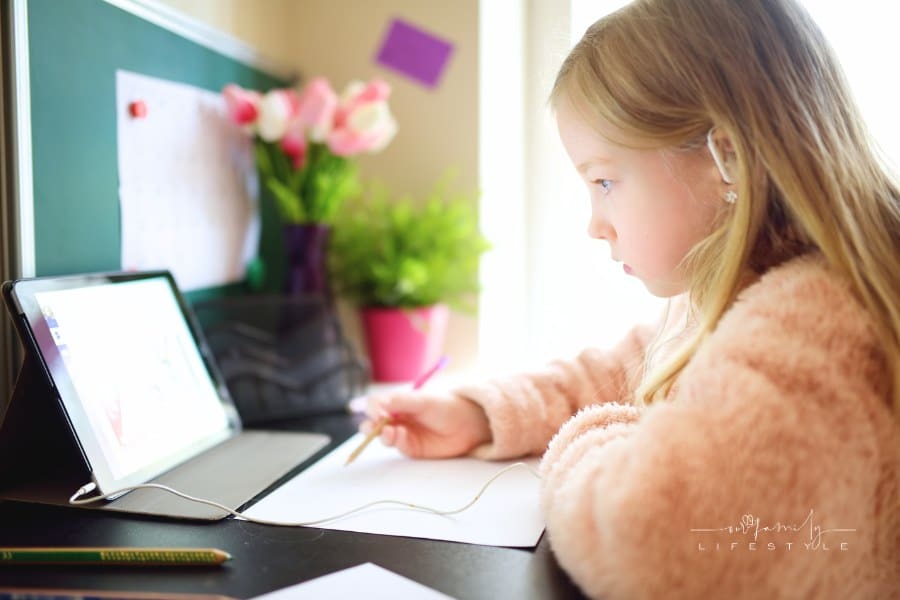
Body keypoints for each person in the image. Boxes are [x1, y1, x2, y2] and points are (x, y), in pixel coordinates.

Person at [362, 0, 900, 597]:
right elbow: (626, 366)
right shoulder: (735, 296)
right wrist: (480, 414)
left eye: (605, 181)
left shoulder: (812, 325)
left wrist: (610, 440)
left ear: (730, 161)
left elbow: (642, 534)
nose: (596, 223)